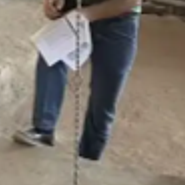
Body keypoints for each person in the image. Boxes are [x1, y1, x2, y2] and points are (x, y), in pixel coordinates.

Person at [13, 0, 142, 161]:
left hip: (119, 22)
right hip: (74, 12)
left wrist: (88, 14)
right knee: (50, 56)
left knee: (104, 96)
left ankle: (89, 155)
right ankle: (43, 129)